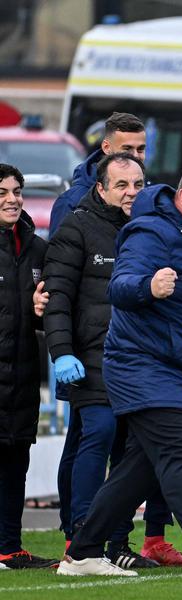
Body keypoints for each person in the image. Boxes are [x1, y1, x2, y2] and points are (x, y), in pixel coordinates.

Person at [58, 163, 182, 576]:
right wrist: (149, 286)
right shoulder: (152, 232)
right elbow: (119, 285)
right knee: (180, 447)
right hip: (142, 364)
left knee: (138, 472)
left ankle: (83, 552)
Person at [42, 153, 182, 569]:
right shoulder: (76, 228)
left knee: (130, 447)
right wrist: (61, 352)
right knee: (99, 432)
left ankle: (117, 544)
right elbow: (57, 298)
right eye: (122, 185)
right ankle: (79, 538)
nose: (131, 193)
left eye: (138, 184)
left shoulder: (153, 229)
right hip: (90, 356)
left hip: (139, 357)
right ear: (101, 189)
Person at [0, 164, 56, 569]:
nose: (12, 199)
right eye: (2, 192)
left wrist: (42, 312)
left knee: (16, 460)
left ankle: (9, 546)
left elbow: (46, 312)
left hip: (22, 374)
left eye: (16, 191)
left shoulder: (37, 248)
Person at [50, 112, 147, 237]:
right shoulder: (73, 201)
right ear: (106, 147)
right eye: (127, 149)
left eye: (140, 149)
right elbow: (62, 248)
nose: (135, 156)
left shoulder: (150, 197)